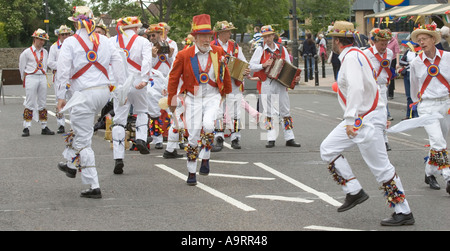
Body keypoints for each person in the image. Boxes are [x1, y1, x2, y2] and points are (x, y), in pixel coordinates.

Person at [320, 21, 414, 226]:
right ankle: (354, 190)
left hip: (365, 119)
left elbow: (356, 88)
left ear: (336, 40)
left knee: (381, 167)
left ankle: (403, 211)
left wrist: (350, 119)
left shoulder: (352, 58)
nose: (332, 44)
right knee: (328, 148)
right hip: (366, 117)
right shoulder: (357, 55)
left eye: (332, 40)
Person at [55, 6, 127, 198]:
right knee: (82, 129)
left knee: (85, 139)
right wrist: (120, 89)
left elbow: (62, 72)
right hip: (103, 93)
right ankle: (70, 164)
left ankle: (93, 185)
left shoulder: (70, 42)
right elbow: (118, 63)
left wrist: (61, 96)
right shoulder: (105, 40)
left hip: (83, 95)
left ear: (76, 22)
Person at [167, 14, 232, 185]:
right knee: (193, 135)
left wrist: (227, 93)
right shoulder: (183, 55)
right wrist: (172, 101)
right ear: (195, 38)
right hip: (193, 98)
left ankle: (206, 156)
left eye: (209, 36)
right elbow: (173, 78)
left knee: (209, 125)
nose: (206, 39)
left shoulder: (218, 52)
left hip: (212, 96)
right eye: (202, 36)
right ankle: (191, 172)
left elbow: (225, 74)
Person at [409, 24, 450, 194]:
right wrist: (419, 104)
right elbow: (413, 88)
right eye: (419, 40)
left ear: (433, 39)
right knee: (438, 141)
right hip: (427, 106)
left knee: (440, 142)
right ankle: (448, 177)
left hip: (446, 104)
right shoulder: (416, 63)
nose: (421, 42)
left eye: (424, 39)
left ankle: (429, 173)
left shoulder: (448, 57)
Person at [110, 16, 152, 174]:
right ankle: (141, 138)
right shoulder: (143, 42)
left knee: (119, 121)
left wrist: (112, 85)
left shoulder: (111, 41)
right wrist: (145, 79)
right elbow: (147, 61)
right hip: (137, 82)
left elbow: (108, 63)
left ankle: (118, 158)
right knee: (141, 111)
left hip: (119, 85)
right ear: (135, 28)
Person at [249, 25, 301, 148]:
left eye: (269, 35)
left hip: (281, 83)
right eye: (265, 36)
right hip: (266, 82)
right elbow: (251, 65)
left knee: (285, 109)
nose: (267, 38)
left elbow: (289, 66)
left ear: (273, 35)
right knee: (268, 111)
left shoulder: (282, 49)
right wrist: (263, 65)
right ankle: (270, 137)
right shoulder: (260, 50)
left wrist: (294, 78)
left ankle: (289, 137)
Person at [210, 20, 250, 151]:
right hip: (218, 84)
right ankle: (219, 137)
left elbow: (243, 61)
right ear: (220, 33)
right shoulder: (212, 46)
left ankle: (235, 137)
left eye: (229, 31)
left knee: (236, 111)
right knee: (218, 110)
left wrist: (245, 69)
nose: (230, 33)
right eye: (227, 31)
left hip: (234, 82)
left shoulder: (234, 46)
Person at [19, 28, 55, 137]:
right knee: (29, 101)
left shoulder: (45, 52)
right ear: (35, 39)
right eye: (40, 39)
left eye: (43, 40)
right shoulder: (27, 52)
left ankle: (44, 126)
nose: (42, 42)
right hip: (31, 76)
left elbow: (47, 65)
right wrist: (24, 78)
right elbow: (21, 66)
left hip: (42, 76)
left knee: (42, 102)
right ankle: (26, 126)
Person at [364, 28, 394, 151]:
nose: (384, 46)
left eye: (386, 43)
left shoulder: (390, 53)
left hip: (382, 88)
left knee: (383, 114)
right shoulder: (367, 53)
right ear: (375, 42)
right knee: (370, 114)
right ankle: (370, 139)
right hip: (371, 88)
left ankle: (384, 140)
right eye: (382, 43)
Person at [48, 25, 74, 134]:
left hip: (72, 77)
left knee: (73, 100)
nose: (65, 36)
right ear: (59, 35)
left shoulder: (73, 45)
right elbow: (50, 62)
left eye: (67, 34)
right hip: (59, 77)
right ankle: (61, 124)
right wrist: (62, 65)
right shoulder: (54, 47)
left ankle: (74, 124)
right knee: (59, 100)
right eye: (63, 34)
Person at [399, 38, 421, 119]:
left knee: (416, 94)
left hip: (415, 74)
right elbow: (401, 62)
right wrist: (408, 63)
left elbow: (418, 63)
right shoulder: (408, 51)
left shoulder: (420, 51)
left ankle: (416, 115)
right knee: (409, 96)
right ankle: (408, 114)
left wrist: (410, 64)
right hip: (407, 74)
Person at [387, 30, 400, 100]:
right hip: (385, 60)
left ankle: (390, 93)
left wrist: (397, 63)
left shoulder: (394, 41)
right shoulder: (384, 41)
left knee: (391, 77)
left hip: (392, 60)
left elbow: (397, 52)